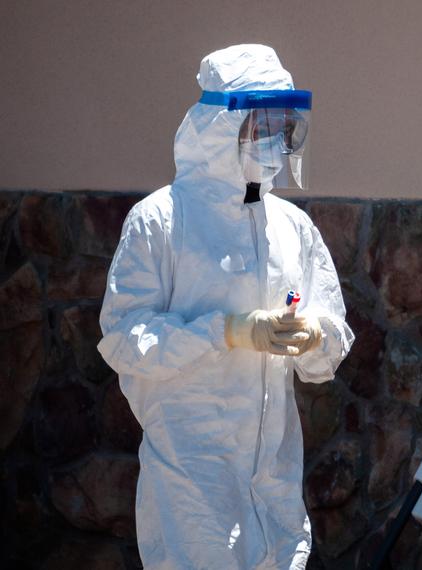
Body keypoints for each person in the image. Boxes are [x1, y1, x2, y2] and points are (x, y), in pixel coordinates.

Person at [98, 44, 354, 569]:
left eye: (284, 126)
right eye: (261, 124)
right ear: (219, 125)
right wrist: (228, 331)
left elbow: (329, 347)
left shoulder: (290, 227)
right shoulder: (160, 221)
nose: (275, 141)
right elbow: (124, 339)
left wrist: (314, 337)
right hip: (193, 483)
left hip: (274, 481)